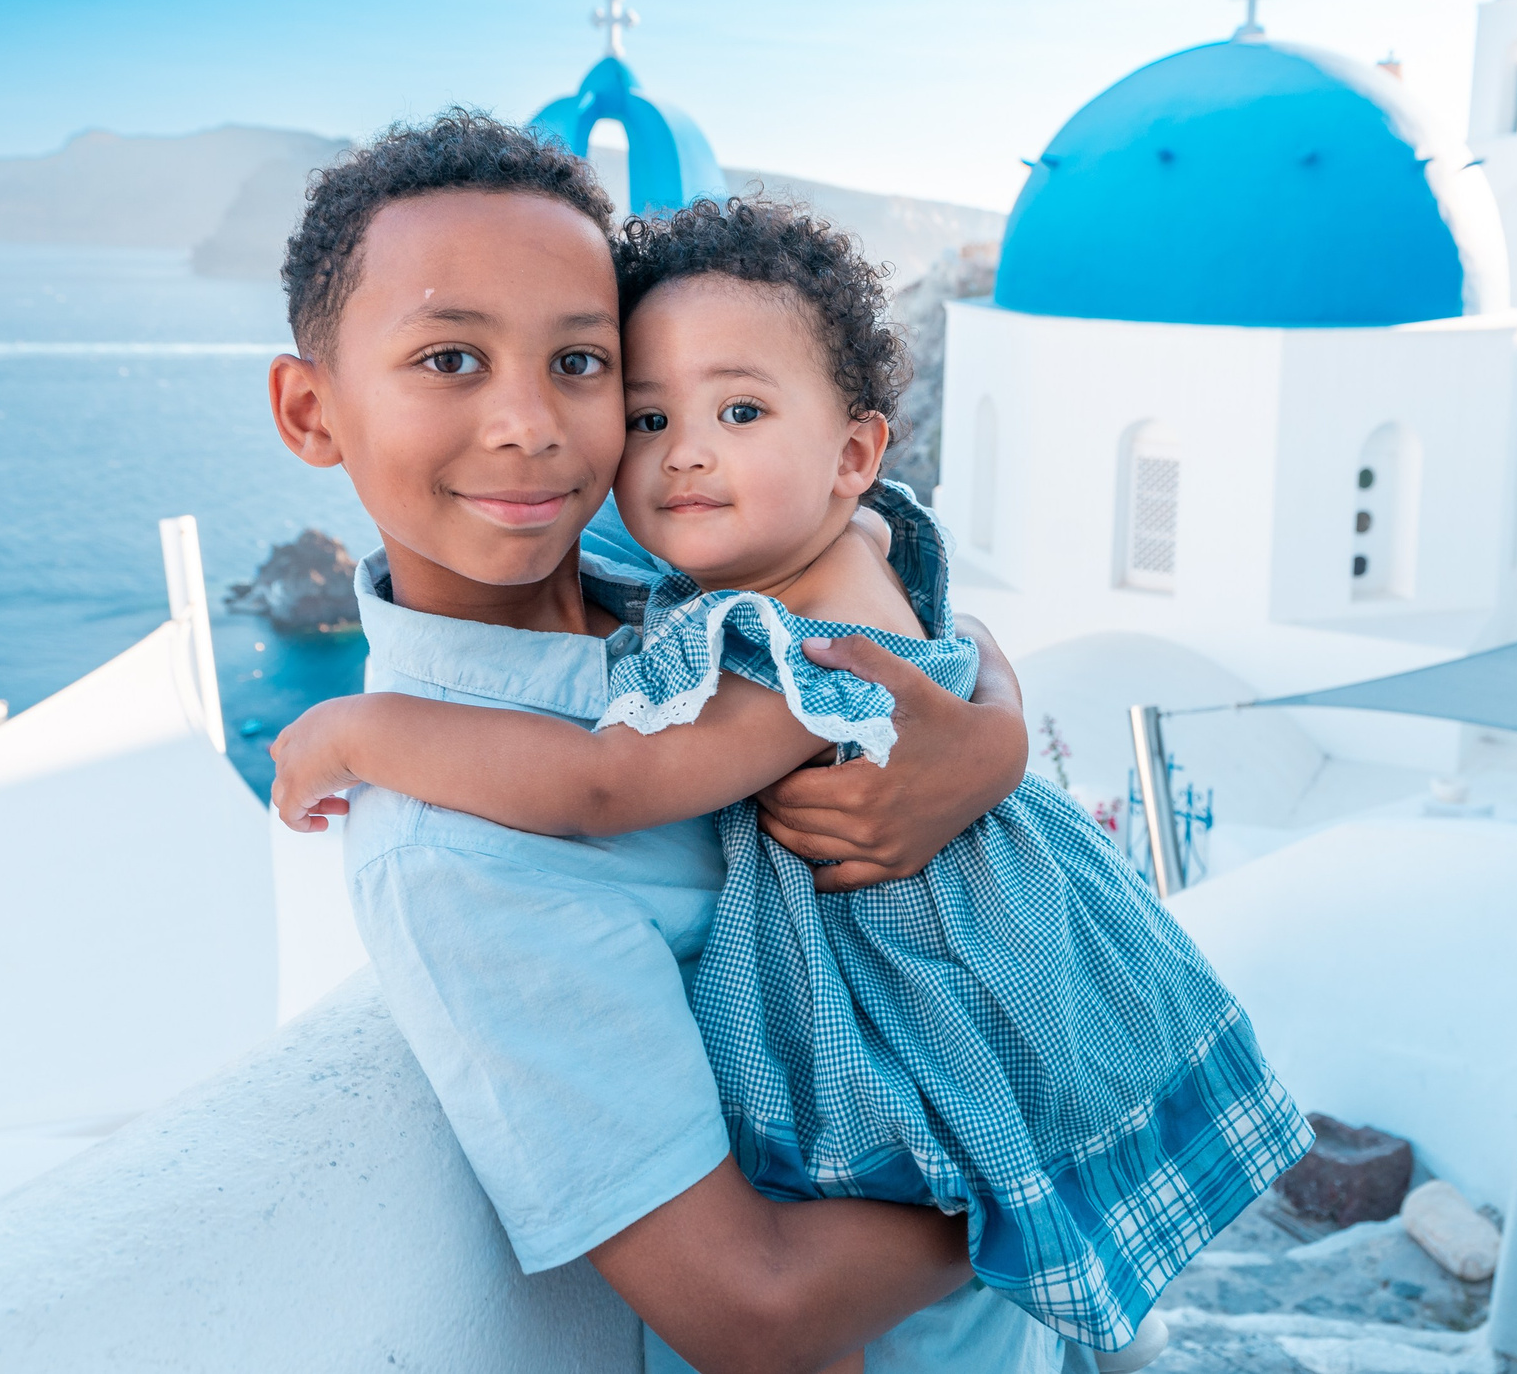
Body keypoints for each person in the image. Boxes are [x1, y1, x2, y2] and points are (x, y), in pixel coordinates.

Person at [274, 196, 1313, 1368]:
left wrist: (360, 728)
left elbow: (612, 780)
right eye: (449, 357)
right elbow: (752, 1305)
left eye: (578, 363)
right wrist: (1040, 1176)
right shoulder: (457, 848)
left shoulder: (686, 580)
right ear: (312, 410)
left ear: (851, 450)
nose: (529, 423)